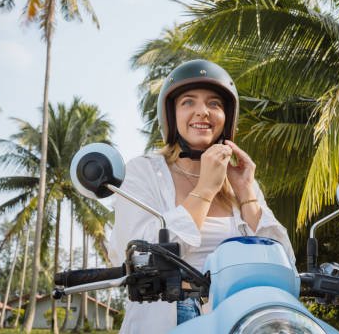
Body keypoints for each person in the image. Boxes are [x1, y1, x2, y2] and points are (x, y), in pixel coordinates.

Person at [108, 59, 295, 333]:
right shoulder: (143, 171)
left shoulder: (240, 181)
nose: (202, 112)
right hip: (168, 315)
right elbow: (139, 257)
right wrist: (205, 189)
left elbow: (284, 265)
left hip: (242, 318)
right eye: (188, 102)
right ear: (171, 116)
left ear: (227, 117)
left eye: (215, 103)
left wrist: (245, 192)